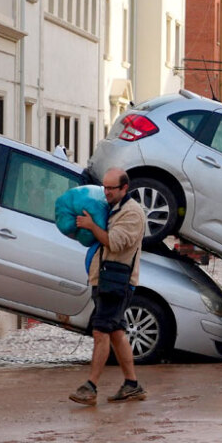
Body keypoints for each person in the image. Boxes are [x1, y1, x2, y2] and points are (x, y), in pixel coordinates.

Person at [69, 168, 148, 406]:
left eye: (111, 188)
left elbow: (114, 243)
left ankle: (90, 386)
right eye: (104, 187)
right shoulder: (113, 208)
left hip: (118, 283)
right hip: (104, 279)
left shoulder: (133, 214)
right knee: (116, 332)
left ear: (124, 188)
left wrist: (92, 226)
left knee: (100, 331)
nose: (106, 192)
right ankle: (132, 385)